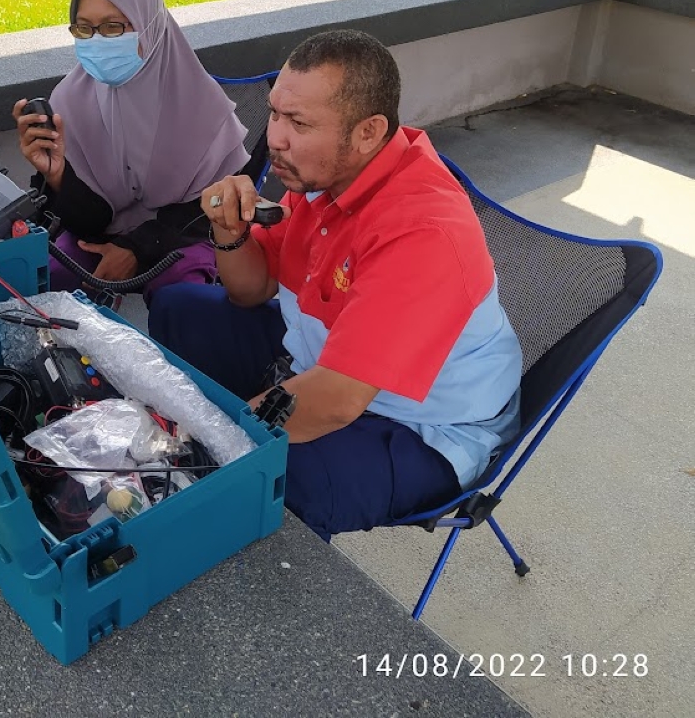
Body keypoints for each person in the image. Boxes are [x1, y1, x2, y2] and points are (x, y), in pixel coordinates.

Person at [147, 29, 522, 541]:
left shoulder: (423, 231)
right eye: (276, 113)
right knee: (177, 306)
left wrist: (199, 443)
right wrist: (229, 231)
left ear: (368, 132)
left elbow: (335, 401)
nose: (274, 137)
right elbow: (250, 292)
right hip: (319, 361)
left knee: (280, 485)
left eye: (298, 122)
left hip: (423, 426)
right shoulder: (326, 176)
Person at [13, 0, 251, 299]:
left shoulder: (201, 105)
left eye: (113, 27)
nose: (97, 41)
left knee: (181, 300)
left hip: (180, 235)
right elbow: (89, 221)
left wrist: (137, 248)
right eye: (83, 28)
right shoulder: (70, 98)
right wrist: (58, 175)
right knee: (46, 280)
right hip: (102, 233)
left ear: (150, 24)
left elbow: (209, 210)